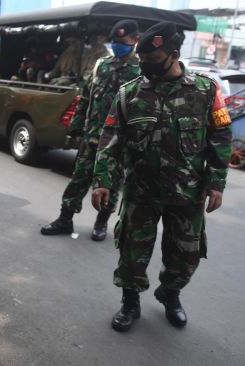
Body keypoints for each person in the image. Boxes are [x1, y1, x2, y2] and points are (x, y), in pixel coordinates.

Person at [92, 22, 233, 332]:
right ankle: (130, 301)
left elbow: (221, 136)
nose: (146, 68)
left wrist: (216, 182)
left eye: (153, 61)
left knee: (186, 256)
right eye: (143, 61)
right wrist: (102, 180)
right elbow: (110, 138)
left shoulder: (206, 91)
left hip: (188, 193)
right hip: (141, 191)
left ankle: (170, 294)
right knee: (132, 253)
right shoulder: (130, 93)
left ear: (174, 54)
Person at [41, 20, 141, 241]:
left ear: (135, 40)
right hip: (92, 136)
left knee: (110, 185)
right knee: (78, 180)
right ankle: (65, 219)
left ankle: (101, 223)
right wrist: (76, 128)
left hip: (117, 143)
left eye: (122, 42)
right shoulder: (101, 65)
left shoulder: (140, 72)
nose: (117, 46)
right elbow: (86, 98)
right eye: (114, 42)